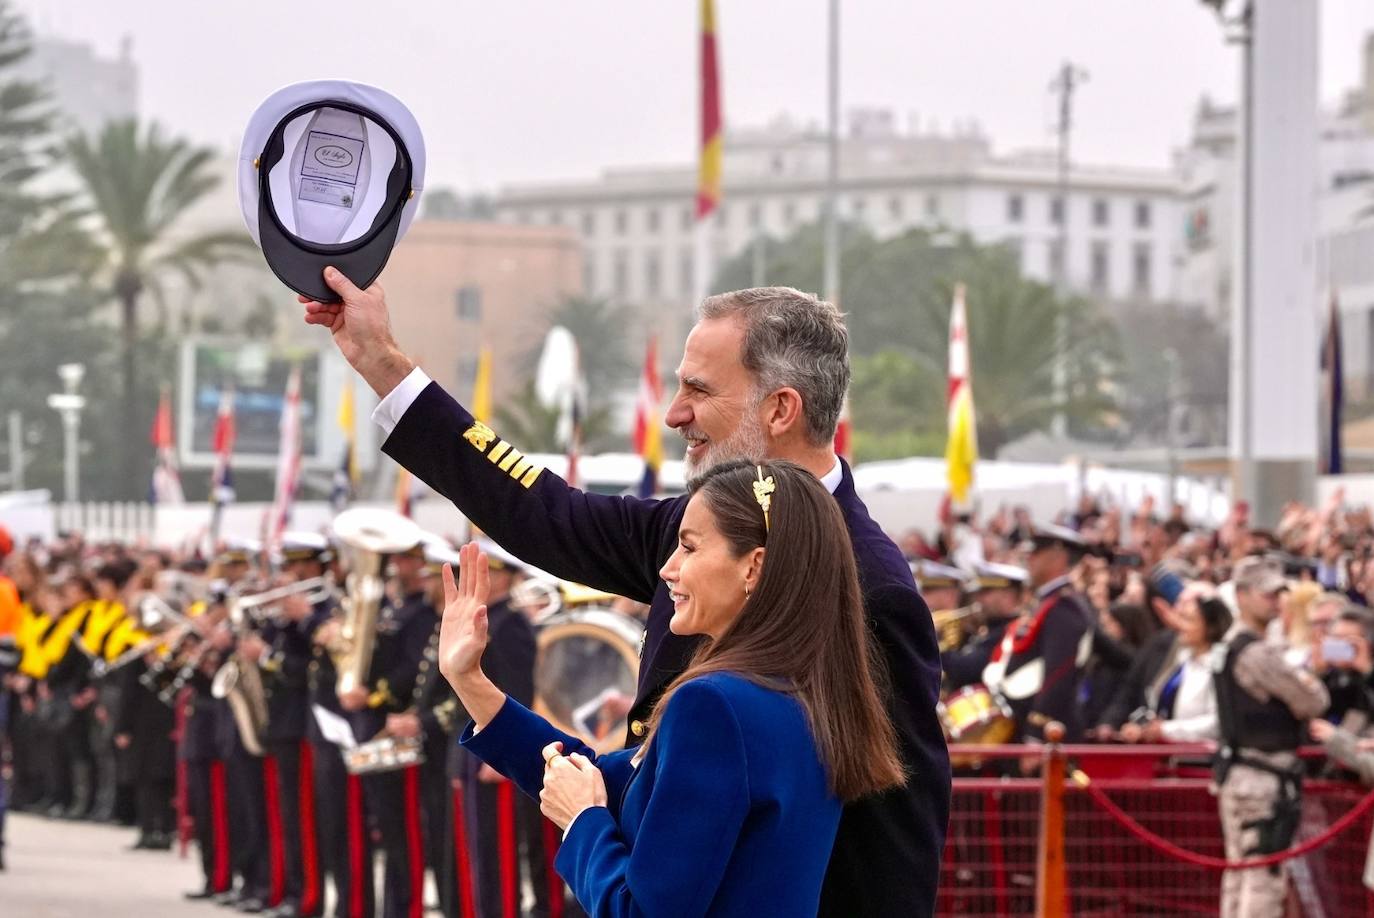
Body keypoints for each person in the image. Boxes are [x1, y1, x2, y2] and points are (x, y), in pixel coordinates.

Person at [302, 272, 949, 915]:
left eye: (698, 389)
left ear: (781, 408)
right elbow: (542, 511)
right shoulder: (694, 519)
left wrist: (587, 827)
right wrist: (384, 363)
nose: (674, 414)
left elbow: (893, 834)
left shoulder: (874, 588)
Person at [440, 461, 904, 916]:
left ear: (753, 567)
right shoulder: (808, 690)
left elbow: (640, 909)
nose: (667, 568)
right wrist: (471, 681)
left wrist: (582, 822)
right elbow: (603, 778)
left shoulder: (716, 705)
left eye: (689, 547)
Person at [1213, 557, 1329, 918]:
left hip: (1239, 773)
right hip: (1262, 779)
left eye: (1278, 594)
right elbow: (1313, 700)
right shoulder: (1255, 652)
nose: (1275, 601)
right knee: (1262, 878)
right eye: (1266, 594)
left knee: (1240, 874)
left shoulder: (1226, 648)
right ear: (1242, 596)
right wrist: (1311, 678)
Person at [982, 525, 1094, 741]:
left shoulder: (1064, 606)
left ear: (1058, 558)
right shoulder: (1047, 602)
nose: (1029, 559)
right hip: (1022, 721)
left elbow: (1058, 674)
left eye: (1036, 553)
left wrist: (1036, 733)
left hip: (1049, 734)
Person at [1117, 589, 1230, 744]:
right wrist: (1147, 727)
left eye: (1189, 620)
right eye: (1182, 618)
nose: (1180, 625)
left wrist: (1165, 729)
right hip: (1170, 755)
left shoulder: (1219, 667)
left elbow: (1218, 722)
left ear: (1210, 628)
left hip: (1201, 760)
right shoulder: (1182, 661)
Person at [941, 562, 1026, 691]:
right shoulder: (990, 629)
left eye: (986, 591)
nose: (978, 598)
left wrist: (938, 645)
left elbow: (965, 670)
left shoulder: (1014, 630)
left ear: (1008, 595)